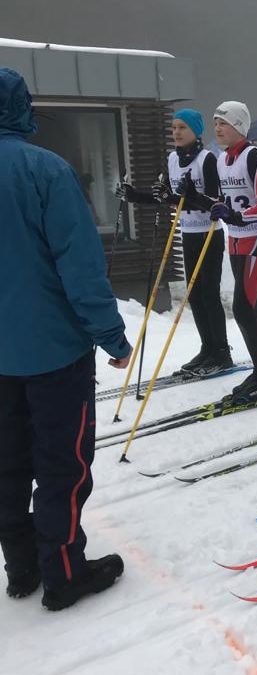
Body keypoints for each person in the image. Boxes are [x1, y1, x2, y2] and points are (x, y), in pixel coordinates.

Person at [0, 68, 130, 610]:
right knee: (63, 463)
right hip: (54, 353)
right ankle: (64, 571)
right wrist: (112, 336)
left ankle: (21, 564)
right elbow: (80, 266)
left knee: (6, 461)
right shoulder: (44, 170)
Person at [117, 109, 232, 376]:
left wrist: (185, 195)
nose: (176, 132)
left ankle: (222, 351)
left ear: (195, 130)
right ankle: (207, 348)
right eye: (174, 128)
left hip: (209, 233)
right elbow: (169, 198)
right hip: (187, 233)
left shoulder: (207, 160)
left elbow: (215, 203)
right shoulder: (172, 159)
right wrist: (136, 196)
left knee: (209, 294)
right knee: (194, 295)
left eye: (182, 127)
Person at [178, 101, 257, 403]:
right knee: (252, 306)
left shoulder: (253, 156)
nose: (218, 128)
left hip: (256, 239)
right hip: (235, 240)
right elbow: (222, 202)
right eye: (216, 122)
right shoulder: (223, 159)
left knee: (243, 308)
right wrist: (195, 197)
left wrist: (240, 216)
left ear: (240, 126)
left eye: (224, 122)